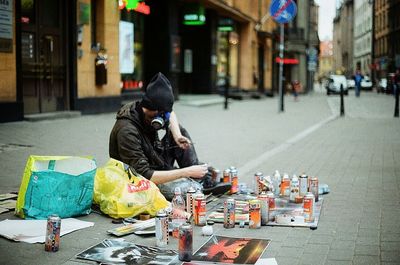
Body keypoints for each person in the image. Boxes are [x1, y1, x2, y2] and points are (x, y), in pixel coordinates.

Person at [109, 72, 230, 200]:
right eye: (163, 115)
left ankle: (201, 178)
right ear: (154, 112)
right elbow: (144, 175)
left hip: (154, 160)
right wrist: (186, 172)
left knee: (179, 131)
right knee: (183, 191)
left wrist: (177, 136)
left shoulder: (147, 108)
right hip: (137, 180)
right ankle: (195, 180)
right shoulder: (127, 131)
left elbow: (170, 113)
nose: (165, 118)